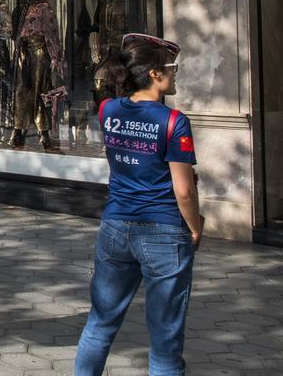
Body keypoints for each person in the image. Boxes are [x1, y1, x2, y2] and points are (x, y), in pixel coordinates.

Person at [75, 34, 201, 376]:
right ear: (155, 74)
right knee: (164, 341)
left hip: (116, 226)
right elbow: (184, 191)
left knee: (100, 324)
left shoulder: (108, 110)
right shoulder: (174, 122)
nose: (175, 75)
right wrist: (195, 226)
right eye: (172, 69)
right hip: (164, 231)